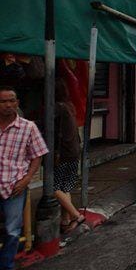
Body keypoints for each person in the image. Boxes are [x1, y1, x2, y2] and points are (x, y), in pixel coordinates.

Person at [0, 86, 48, 270]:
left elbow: (38, 154)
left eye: (12, 100)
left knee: (12, 230)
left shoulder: (28, 127)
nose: (8, 105)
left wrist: (27, 179)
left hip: (14, 185)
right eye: (3, 101)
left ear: (17, 103)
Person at [54, 80, 83, 235]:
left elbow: (53, 130)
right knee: (65, 186)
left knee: (53, 187)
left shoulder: (57, 108)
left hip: (63, 153)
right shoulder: (70, 106)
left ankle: (75, 215)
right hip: (74, 151)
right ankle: (65, 220)